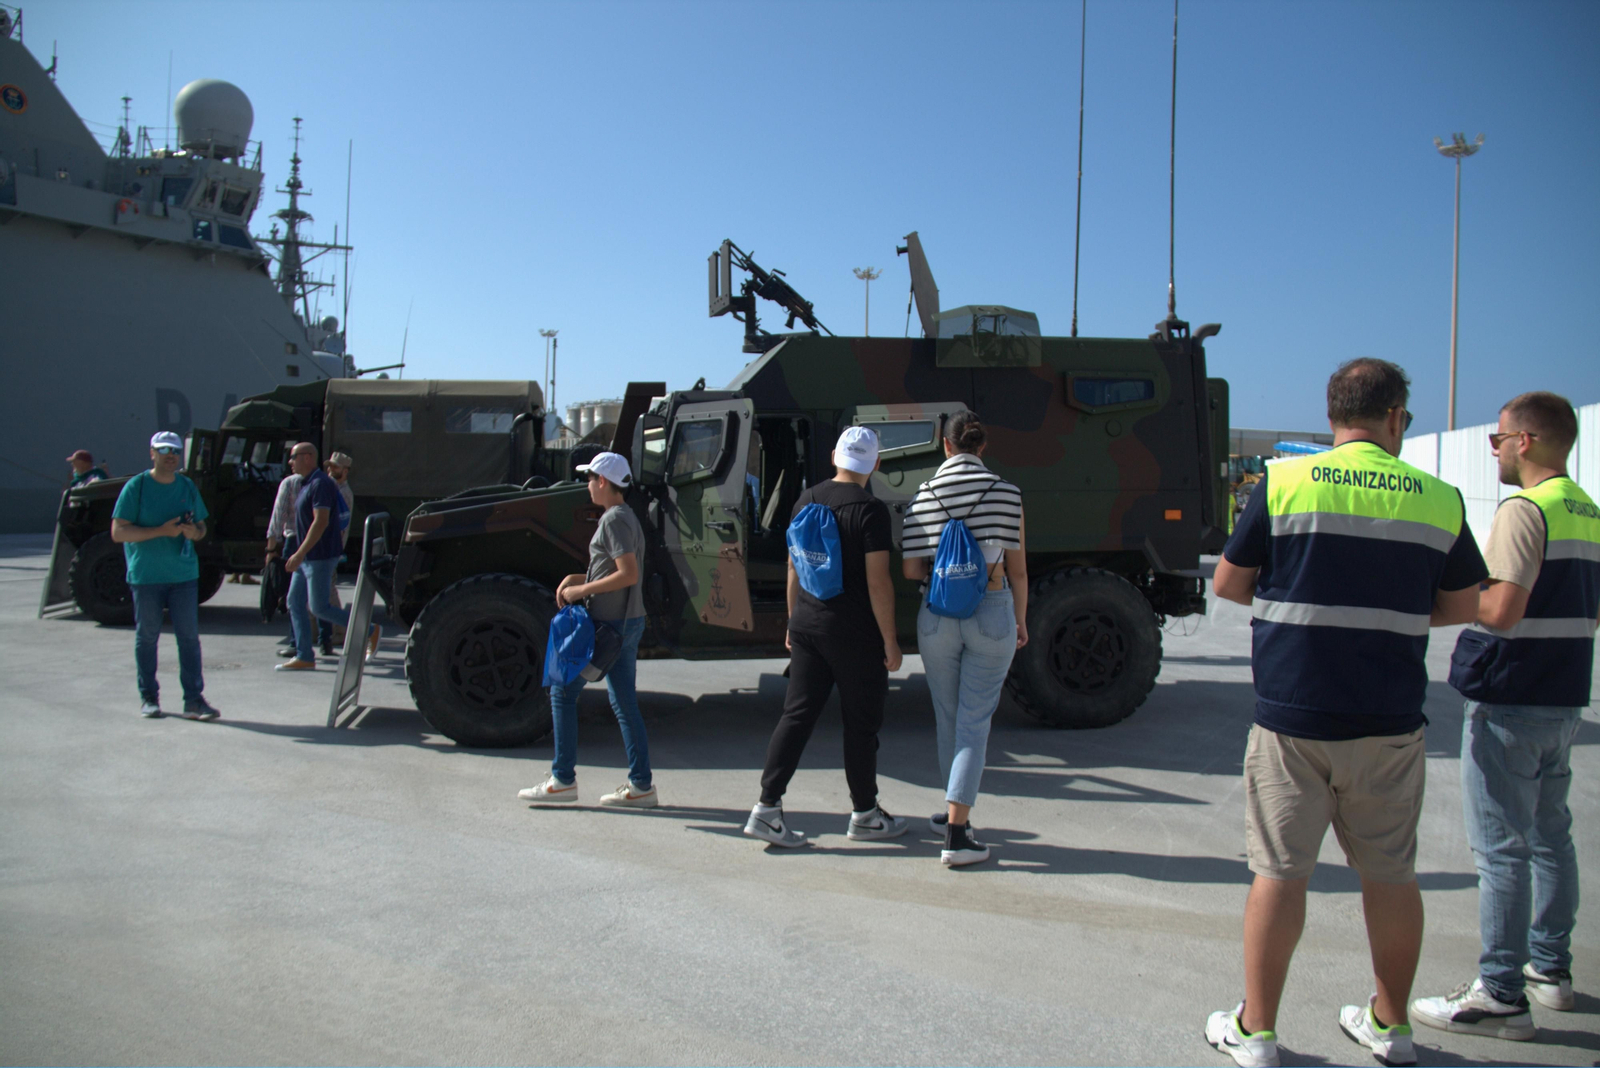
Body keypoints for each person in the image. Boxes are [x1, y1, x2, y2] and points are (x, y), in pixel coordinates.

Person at [1203, 359, 1486, 1068]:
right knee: (1391, 876)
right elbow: (1464, 603)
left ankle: (1257, 1031)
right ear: (1394, 416)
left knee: (1279, 872)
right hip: (1390, 722)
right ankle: (1390, 1027)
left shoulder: (1286, 482)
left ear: (1333, 414)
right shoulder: (1438, 497)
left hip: (1293, 718)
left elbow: (1231, 584)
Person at [1411, 391, 1599, 1040]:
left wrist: (1452, 597)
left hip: (1513, 695)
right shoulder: (1585, 509)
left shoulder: (1525, 510)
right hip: (1565, 696)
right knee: (1552, 838)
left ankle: (1500, 993)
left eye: (1500, 437)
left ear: (1529, 442)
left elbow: (1502, 612)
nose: (1494, 447)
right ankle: (1551, 971)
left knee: (1502, 852)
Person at [744, 425, 906, 848]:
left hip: (808, 628)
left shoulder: (806, 499)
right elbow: (878, 584)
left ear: (834, 456)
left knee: (796, 717)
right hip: (853, 634)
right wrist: (890, 640)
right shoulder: (870, 511)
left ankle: (766, 809)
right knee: (860, 725)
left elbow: (794, 567)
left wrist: (793, 621)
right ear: (876, 463)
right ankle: (865, 814)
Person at [900, 412, 1027, 867]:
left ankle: (955, 814)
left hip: (936, 613)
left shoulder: (923, 495)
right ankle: (956, 833)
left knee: (949, 716)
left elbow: (911, 569)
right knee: (976, 720)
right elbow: (1018, 569)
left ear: (945, 445)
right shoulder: (1008, 494)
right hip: (993, 608)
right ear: (982, 447)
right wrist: (1021, 619)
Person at [517, 452, 658, 808]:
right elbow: (617, 571)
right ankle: (641, 786)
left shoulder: (613, 520)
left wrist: (580, 591)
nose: (587, 485)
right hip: (625, 623)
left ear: (603, 483)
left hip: (609, 627)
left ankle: (563, 780)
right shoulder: (625, 517)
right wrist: (578, 578)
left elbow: (628, 574)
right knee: (624, 704)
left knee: (563, 692)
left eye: (590, 479)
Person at [110, 431, 219, 720]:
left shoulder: (186, 486)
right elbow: (118, 532)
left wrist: (193, 532)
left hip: (183, 576)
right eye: (164, 450)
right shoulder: (137, 487)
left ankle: (194, 701)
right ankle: (149, 698)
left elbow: (201, 528)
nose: (171, 455)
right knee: (147, 637)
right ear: (152, 453)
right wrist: (162, 531)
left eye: (175, 450)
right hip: (147, 577)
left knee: (189, 639)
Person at [277, 442, 374, 671]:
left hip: (318, 556)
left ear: (308, 457)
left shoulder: (320, 484)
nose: (290, 462)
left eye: (294, 457)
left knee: (320, 607)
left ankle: (370, 630)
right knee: (295, 602)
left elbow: (320, 522)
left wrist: (299, 553)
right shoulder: (306, 483)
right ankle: (304, 655)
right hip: (308, 556)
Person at [266, 463, 304, 655]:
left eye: (293, 458)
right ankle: (325, 640)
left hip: (294, 541)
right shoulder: (322, 482)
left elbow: (277, 517)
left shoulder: (289, 483)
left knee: (293, 597)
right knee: (317, 598)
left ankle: (295, 643)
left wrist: (271, 549)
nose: (290, 462)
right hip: (317, 543)